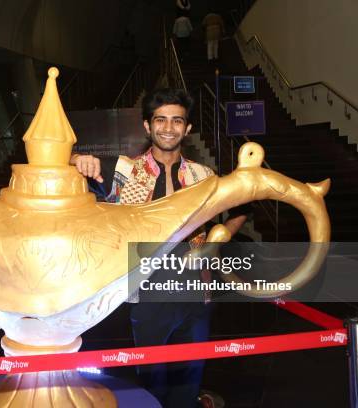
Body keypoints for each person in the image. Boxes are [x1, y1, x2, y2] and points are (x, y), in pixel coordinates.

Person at [70, 88, 247, 408]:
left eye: (177, 120)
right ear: (147, 126)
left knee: (189, 378)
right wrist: (77, 159)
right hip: (147, 295)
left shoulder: (203, 176)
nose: (169, 127)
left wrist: (218, 239)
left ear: (188, 128)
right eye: (160, 120)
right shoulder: (124, 169)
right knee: (152, 381)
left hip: (195, 291)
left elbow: (243, 206)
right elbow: (64, 170)